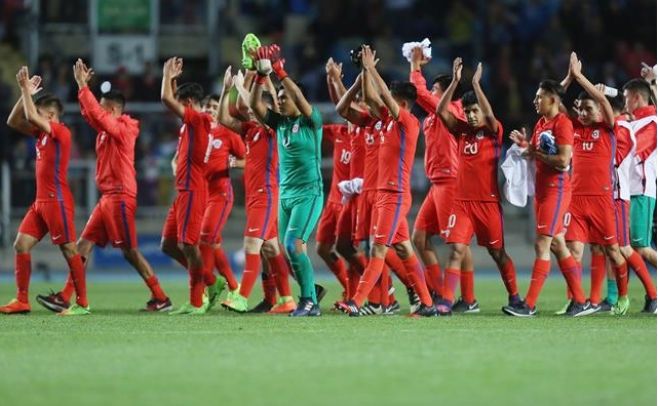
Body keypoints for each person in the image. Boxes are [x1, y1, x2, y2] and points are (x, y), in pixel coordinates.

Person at [36, 59, 171, 313]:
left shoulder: (124, 128)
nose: (95, 111)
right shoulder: (107, 129)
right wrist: (82, 88)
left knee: (130, 252)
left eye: (101, 107)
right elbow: (92, 115)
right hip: (108, 197)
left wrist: (82, 88)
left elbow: (96, 115)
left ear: (112, 109)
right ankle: (65, 296)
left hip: (120, 196)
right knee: (82, 245)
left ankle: (161, 296)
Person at [338, 45, 436, 317]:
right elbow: (368, 98)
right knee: (403, 248)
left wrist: (371, 68)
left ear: (401, 103)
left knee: (378, 248)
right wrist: (363, 70)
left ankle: (357, 302)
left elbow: (381, 96)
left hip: (394, 194)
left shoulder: (408, 123)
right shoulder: (384, 122)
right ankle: (428, 304)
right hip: (382, 193)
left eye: (390, 99)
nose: (383, 102)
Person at [504, 73, 593, 317]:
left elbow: (564, 159)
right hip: (543, 190)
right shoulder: (542, 123)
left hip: (557, 189)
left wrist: (536, 154)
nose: (535, 100)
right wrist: (525, 146)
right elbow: (535, 151)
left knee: (542, 243)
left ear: (552, 99)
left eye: (539, 96)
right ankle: (581, 300)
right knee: (557, 243)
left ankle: (529, 305)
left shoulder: (562, 123)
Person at [436, 59, 520, 313]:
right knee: (456, 251)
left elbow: (491, 115)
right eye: (468, 111)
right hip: (462, 203)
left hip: (488, 203)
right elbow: (441, 111)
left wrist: (475, 84)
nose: (471, 116)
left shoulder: (494, 131)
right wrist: (454, 82)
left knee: (497, 254)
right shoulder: (461, 130)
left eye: (475, 111)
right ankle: (446, 302)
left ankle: (515, 297)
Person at [2, 67, 88, 316]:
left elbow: (29, 113)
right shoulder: (42, 134)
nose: (34, 118)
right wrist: (25, 94)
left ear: (50, 115)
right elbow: (13, 120)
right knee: (21, 245)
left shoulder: (61, 132)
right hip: (40, 203)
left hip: (57, 201)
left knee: (69, 250)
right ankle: (21, 300)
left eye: (39, 115)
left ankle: (82, 303)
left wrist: (23, 90)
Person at [250, 45, 324, 317]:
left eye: (284, 97)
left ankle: (309, 302)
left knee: (294, 245)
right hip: (286, 195)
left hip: (309, 193)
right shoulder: (279, 124)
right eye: (278, 97)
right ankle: (311, 292)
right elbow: (256, 105)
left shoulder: (311, 121)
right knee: (286, 250)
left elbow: (302, 103)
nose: (279, 100)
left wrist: (280, 72)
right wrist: (260, 76)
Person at [217, 66, 296, 314]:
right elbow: (223, 118)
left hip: (266, 194)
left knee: (251, 245)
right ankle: (286, 300)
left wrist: (252, 81)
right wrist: (226, 89)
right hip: (255, 195)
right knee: (270, 249)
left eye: (254, 108)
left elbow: (258, 102)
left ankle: (241, 297)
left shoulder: (274, 129)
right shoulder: (250, 131)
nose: (250, 110)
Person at [407, 47, 479, 313]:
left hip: (452, 181)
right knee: (420, 237)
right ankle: (442, 291)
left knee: (456, 242)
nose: (431, 94)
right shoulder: (435, 114)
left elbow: (420, 93)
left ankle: (460, 299)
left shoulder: (456, 110)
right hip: (436, 183)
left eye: (435, 89)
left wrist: (415, 67)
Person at [558, 53, 629, 314]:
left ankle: (622, 296)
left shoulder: (608, 127)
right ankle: (578, 300)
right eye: (581, 109)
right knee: (574, 250)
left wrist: (580, 78)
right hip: (576, 199)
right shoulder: (573, 127)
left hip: (601, 199)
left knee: (612, 250)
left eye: (589, 109)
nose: (585, 113)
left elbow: (600, 99)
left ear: (600, 110)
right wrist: (568, 79)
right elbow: (555, 102)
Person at [160, 57, 212, 315]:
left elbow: (166, 100)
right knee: (168, 244)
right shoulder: (188, 126)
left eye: (182, 106)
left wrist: (165, 76)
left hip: (193, 189)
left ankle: (197, 299)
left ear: (189, 104)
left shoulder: (199, 120)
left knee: (189, 246)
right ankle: (209, 281)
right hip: (183, 191)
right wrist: (172, 80)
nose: (177, 112)